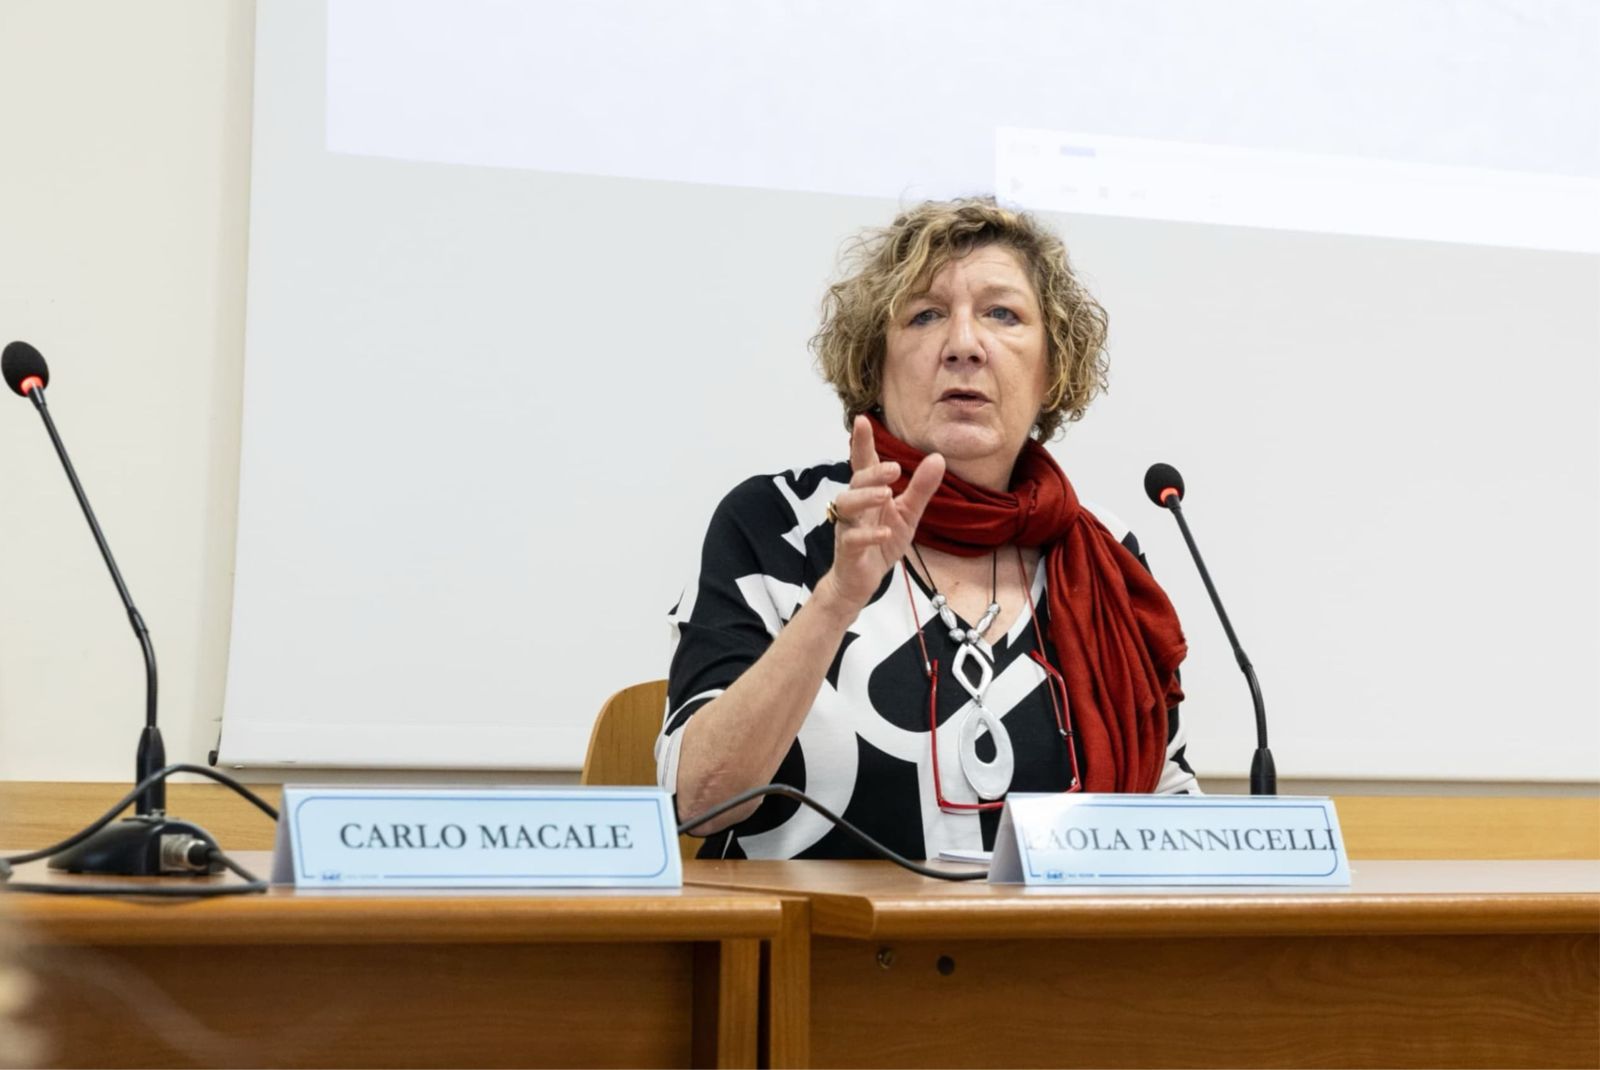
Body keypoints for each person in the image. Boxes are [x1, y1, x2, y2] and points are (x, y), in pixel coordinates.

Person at [658, 197, 1193, 860]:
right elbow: (697, 800)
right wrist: (835, 601)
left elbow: (1168, 801)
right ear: (873, 365)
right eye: (925, 314)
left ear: (1053, 369)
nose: (964, 345)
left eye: (1002, 314)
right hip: (817, 928)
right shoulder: (780, 526)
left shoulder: (1101, 552)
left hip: (1054, 931)